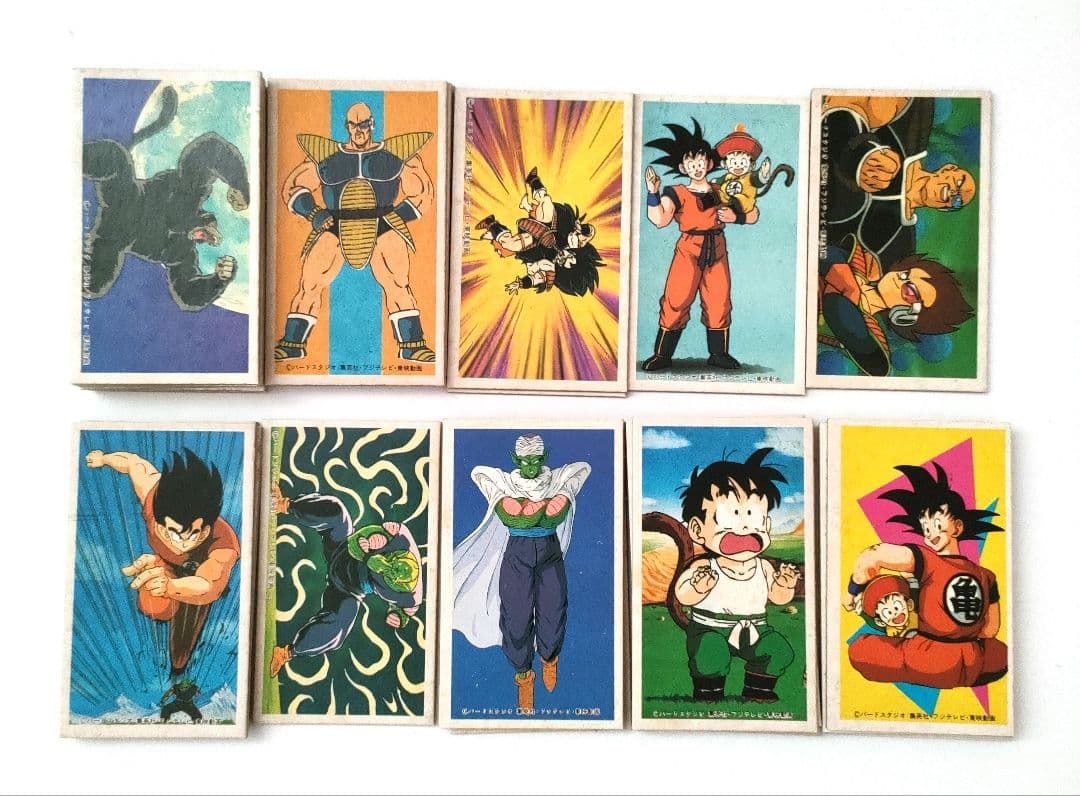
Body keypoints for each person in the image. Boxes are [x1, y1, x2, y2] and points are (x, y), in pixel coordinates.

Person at [275, 102, 436, 363]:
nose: (359, 131)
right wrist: (314, 213)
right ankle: (293, 344)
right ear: (347, 126)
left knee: (397, 282)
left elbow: (422, 192)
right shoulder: (324, 155)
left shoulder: (398, 153)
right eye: (353, 125)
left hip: (383, 223)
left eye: (364, 125)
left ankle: (412, 345)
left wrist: (398, 216)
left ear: (372, 124)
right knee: (310, 283)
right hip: (335, 224)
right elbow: (294, 187)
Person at [451, 434, 591, 712]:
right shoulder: (506, 483)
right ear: (517, 460)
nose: (530, 466)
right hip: (517, 552)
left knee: (553, 609)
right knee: (516, 616)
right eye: (525, 461)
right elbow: (495, 493)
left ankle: (549, 659)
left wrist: (559, 498)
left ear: (542, 459)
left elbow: (580, 472)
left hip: (549, 550)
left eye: (535, 460)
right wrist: (523, 507)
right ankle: (524, 676)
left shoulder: (555, 480)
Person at [844, 461, 1008, 689]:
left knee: (859, 649)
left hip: (926, 658)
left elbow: (872, 556)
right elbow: (990, 630)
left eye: (937, 525)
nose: (930, 535)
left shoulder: (927, 560)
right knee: (1001, 654)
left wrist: (851, 594)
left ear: (958, 527)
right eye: (926, 529)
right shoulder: (987, 576)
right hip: (971, 662)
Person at [84, 447, 239, 674]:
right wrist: (103, 459)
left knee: (182, 648)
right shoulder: (152, 495)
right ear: (159, 519)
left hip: (198, 580)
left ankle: (178, 670)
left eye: (195, 534)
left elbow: (208, 585)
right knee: (154, 605)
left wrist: (171, 587)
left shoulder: (224, 544)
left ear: (206, 528)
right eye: (174, 533)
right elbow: (133, 463)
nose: (183, 543)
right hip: (167, 567)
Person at [665, 448, 799, 702]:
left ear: (767, 525)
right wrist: (698, 587)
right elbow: (682, 595)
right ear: (698, 529)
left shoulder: (763, 567)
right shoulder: (704, 566)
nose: (745, 526)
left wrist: (784, 585)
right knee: (711, 652)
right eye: (732, 516)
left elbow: (778, 598)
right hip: (711, 629)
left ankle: (758, 689)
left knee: (779, 649)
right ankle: (709, 691)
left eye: (753, 516)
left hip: (756, 629)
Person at [267, 485, 423, 677]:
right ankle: (283, 504)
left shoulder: (411, 598)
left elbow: (407, 613)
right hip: (343, 549)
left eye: (389, 576)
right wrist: (372, 538)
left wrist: (398, 617)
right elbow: (386, 530)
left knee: (338, 630)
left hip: (350, 589)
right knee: (337, 510)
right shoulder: (401, 539)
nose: (385, 570)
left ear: (401, 588)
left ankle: (286, 654)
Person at [642, 119, 758, 371]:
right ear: (683, 167)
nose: (696, 168)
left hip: (717, 248)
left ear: (709, 164)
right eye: (691, 163)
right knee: (676, 299)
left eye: (700, 162)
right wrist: (652, 192)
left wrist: (736, 217)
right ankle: (662, 355)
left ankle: (719, 354)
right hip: (689, 249)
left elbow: (752, 214)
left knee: (719, 300)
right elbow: (659, 220)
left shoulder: (722, 189)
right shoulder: (677, 192)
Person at [820, 95, 976, 267]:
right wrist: (861, 154)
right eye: (959, 182)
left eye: (957, 200)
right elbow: (843, 106)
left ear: (945, 208)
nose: (954, 193)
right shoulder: (914, 127)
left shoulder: (901, 245)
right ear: (948, 169)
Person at [818, 234, 974, 376]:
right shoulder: (864, 264)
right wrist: (849, 285)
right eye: (905, 274)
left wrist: (844, 287)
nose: (898, 279)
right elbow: (824, 252)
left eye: (910, 290)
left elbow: (837, 309)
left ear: (907, 315)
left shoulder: (872, 336)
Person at [475, 167, 603, 298]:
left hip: (534, 241)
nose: (566, 258)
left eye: (565, 263)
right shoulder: (575, 242)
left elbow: (535, 279)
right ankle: (533, 180)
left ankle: (491, 224)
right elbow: (590, 231)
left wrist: (520, 284)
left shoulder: (549, 269)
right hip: (548, 224)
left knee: (510, 244)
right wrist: (582, 231)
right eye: (571, 258)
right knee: (546, 203)